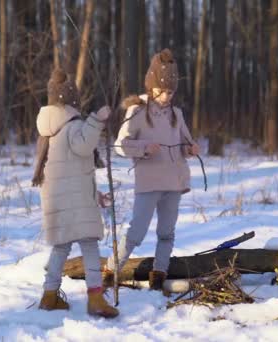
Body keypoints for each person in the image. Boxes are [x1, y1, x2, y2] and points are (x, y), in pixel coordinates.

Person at [103, 49, 200, 291]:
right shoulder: (137, 111)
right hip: (148, 183)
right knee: (136, 232)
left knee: (167, 233)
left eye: (170, 91)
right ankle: (110, 271)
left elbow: (185, 143)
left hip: (174, 183)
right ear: (150, 87)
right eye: (161, 91)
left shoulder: (176, 114)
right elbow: (119, 145)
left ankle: (159, 274)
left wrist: (191, 149)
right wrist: (145, 147)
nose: (166, 96)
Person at [33, 68, 118, 318]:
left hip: (62, 201)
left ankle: (49, 296)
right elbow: (83, 147)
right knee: (90, 246)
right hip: (76, 202)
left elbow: (72, 173)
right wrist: (97, 120)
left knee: (60, 248)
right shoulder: (73, 127)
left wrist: (96, 196)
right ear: (72, 102)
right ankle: (95, 298)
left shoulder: (48, 131)